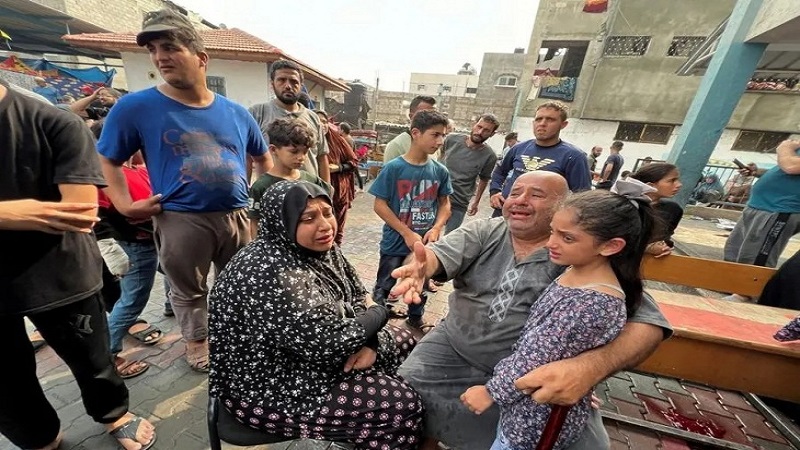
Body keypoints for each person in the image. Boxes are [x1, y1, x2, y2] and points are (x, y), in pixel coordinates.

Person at [392, 171, 671, 450]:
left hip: (531, 373)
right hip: (454, 349)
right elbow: (432, 256)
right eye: (515, 192)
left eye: (536, 195)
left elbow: (649, 325)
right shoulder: (486, 231)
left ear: (562, 205)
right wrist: (419, 268)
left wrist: (588, 369)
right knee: (400, 399)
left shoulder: (585, 256)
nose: (520, 200)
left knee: (589, 446)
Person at [98, 9, 270, 372]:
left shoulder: (237, 113)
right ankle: (196, 342)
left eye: (170, 47)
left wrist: (254, 199)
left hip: (238, 217)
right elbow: (107, 159)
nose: (160, 57)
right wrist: (124, 204)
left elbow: (263, 159)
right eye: (153, 50)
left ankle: (235, 336)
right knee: (189, 290)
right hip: (181, 218)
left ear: (201, 58)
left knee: (239, 284)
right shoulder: (135, 107)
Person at [0, 79, 156, 450]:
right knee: (5, 381)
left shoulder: (52, 122)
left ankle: (114, 415)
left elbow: (79, 212)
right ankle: (37, 435)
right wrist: (18, 213)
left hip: (59, 273)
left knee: (92, 361)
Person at [208, 180, 423, 449]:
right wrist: (380, 312)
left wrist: (370, 342)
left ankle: (366, 429)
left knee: (406, 341)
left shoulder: (322, 248)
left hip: (316, 351)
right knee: (401, 405)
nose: (325, 225)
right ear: (282, 221)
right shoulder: (267, 270)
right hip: (270, 385)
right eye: (308, 218)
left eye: (328, 213)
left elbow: (357, 293)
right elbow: (329, 343)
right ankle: (378, 427)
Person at [461, 185, 657, 450]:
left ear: (611, 246)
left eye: (567, 238)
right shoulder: (576, 271)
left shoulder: (591, 302)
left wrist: (490, 392)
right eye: (552, 231)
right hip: (527, 405)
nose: (550, 243)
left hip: (534, 418)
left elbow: (535, 357)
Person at [370, 110, 453, 333]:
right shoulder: (394, 168)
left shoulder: (440, 171)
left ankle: (415, 318)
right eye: (435, 135)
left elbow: (445, 204)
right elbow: (380, 205)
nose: (440, 141)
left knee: (420, 284)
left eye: (443, 135)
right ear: (416, 133)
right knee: (385, 283)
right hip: (395, 242)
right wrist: (406, 232)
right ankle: (376, 319)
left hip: (424, 245)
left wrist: (436, 227)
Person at [723, 140, 800, 301]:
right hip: (759, 205)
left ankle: (745, 293)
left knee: (758, 253)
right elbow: (786, 172)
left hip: (780, 209)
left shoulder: (788, 149)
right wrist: (757, 172)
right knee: (737, 248)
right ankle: (732, 284)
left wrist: (784, 148)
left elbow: (791, 166)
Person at [489, 101, 591, 217]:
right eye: (538, 119)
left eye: (550, 120)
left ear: (563, 124)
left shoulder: (574, 156)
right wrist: (495, 191)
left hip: (540, 220)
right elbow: (500, 171)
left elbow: (582, 197)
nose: (542, 124)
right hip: (505, 212)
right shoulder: (519, 148)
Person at [248, 118, 331, 239]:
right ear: (273, 150)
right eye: (294, 151)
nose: (301, 157)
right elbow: (255, 223)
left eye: (305, 152)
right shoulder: (261, 186)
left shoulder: (312, 181)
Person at [249, 60, 330, 182]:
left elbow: (322, 157)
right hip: (271, 191)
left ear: (301, 86)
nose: (288, 86)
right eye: (281, 80)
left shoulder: (313, 118)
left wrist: (326, 189)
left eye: (294, 81)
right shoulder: (257, 113)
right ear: (272, 84)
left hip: (309, 191)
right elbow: (246, 157)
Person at [441, 114, 499, 233]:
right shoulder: (451, 139)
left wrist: (476, 202)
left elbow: (484, 179)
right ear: (474, 125)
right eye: (479, 127)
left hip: (459, 202)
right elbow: (437, 158)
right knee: (426, 233)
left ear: (492, 134)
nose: (480, 132)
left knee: (450, 237)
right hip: (436, 196)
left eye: (486, 130)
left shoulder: (490, 156)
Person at [316, 111, 360, 244]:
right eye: (318, 121)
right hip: (316, 193)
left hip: (339, 193)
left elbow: (353, 161)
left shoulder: (337, 139)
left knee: (337, 230)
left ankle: (336, 253)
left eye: (324, 121)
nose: (322, 125)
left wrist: (338, 167)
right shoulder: (305, 141)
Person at [630, 163, 684, 258]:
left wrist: (664, 248)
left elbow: (666, 237)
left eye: (677, 180)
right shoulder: (628, 207)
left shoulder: (673, 209)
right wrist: (646, 248)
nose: (679, 185)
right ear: (651, 185)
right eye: (672, 181)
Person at [383, 95, 437, 163]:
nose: (431, 119)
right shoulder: (397, 145)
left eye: (434, 115)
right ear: (411, 116)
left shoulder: (434, 144)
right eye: (424, 115)